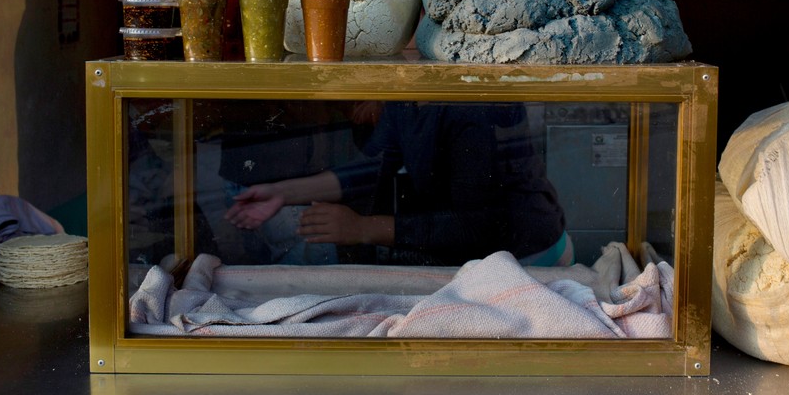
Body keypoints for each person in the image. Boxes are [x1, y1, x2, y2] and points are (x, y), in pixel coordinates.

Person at [224, 100, 573, 267]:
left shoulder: (469, 108)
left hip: (528, 255)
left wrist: (362, 228)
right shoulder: (405, 94)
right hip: (475, 258)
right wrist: (282, 193)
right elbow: (372, 168)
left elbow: (476, 227)